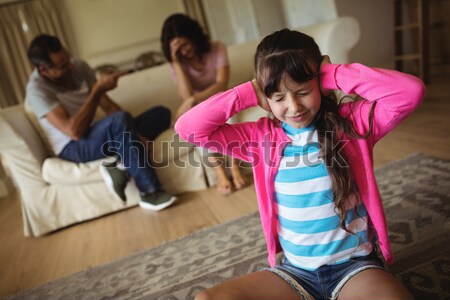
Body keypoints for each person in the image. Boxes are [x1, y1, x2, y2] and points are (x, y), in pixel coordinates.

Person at [175, 29, 425, 299]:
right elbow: (188, 128)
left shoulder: (353, 124)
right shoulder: (259, 139)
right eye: (279, 97)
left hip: (355, 269)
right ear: (265, 95)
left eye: (303, 91)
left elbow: (410, 92)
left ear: (319, 80)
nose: (294, 107)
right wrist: (247, 92)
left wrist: (332, 73)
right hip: (295, 274)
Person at [25, 34, 177, 211]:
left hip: (99, 134)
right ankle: (150, 193)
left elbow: (109, 106)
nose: (71, 66)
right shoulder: (37, 91)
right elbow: (73, 132)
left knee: (160, 114)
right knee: (118, 122)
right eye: (63, 66)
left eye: (68, 59)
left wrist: (135, 134)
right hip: (73, 147)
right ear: (44, 70)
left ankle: (119, 161)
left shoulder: (79, 67)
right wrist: (96, 91)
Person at [161, 13, 247, 195]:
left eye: (184, 44)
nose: (183, 51)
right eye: (178, 50)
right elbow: (185, 95)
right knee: (193, 124)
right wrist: (176, 62)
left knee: (230, 111)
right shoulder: (177, 62)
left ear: (193, 36)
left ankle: (234, 168)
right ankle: (220, 172)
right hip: (198, 107)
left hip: (221, 98)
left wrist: (194, 99)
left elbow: (221, 84)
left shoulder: (217, 48)